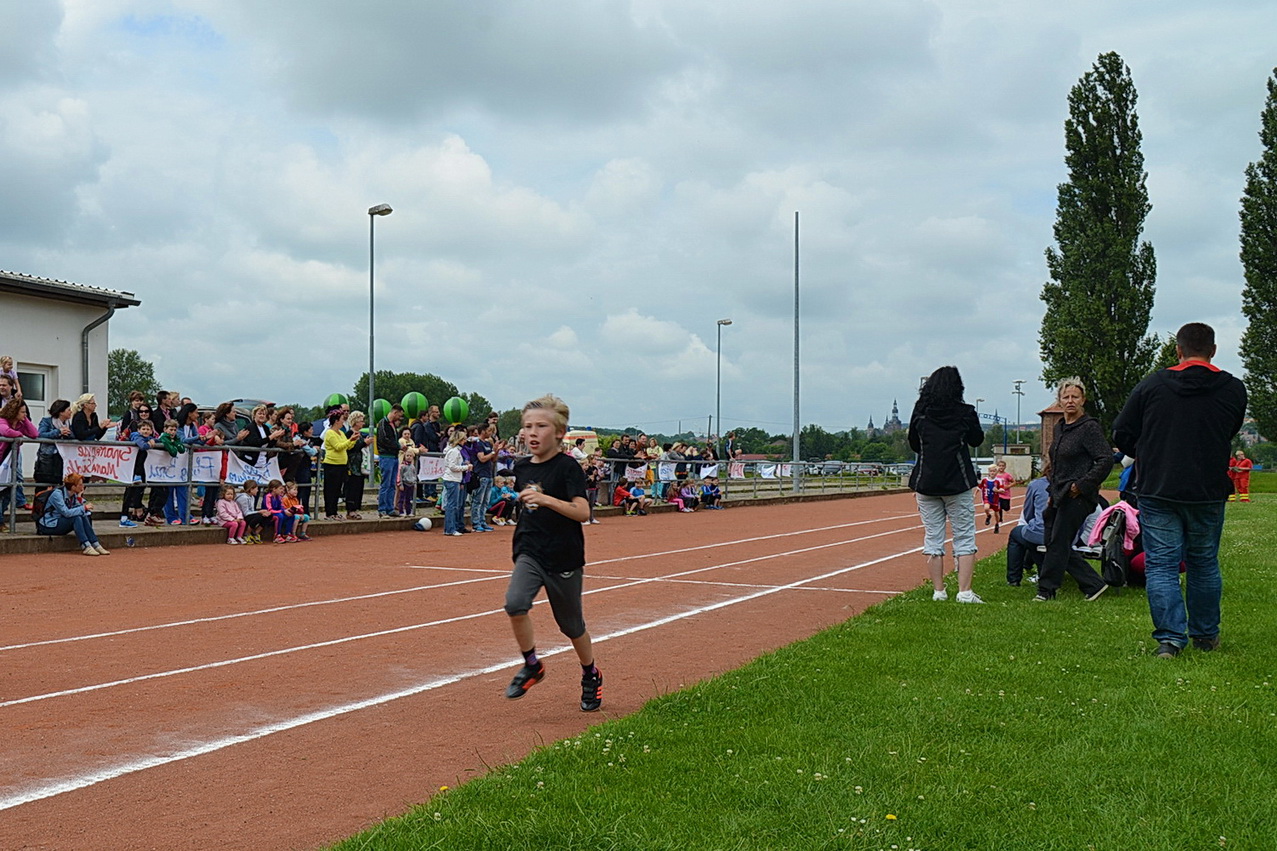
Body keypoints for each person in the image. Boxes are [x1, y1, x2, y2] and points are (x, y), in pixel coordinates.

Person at [1113, 322, 1247, 658]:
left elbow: (1122, 432)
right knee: (1203, 562)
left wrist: (1147, 449)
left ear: (1178, 350)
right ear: (1213, 350)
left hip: (1159, 486)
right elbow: (1229, 429)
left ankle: (1170, 640)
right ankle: (1205, 635)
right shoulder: (1233, 389)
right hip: (1207, 487)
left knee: (1161, 564)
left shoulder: (1152, 386)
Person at [502, 394, 602, 712]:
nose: (532, 433)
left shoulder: (567, 467)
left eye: (541, 426)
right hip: (530, 551)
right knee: (515, 603)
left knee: (571, 626)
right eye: (527, 426)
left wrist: (546, 501)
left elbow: (583, 511)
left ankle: (590, 674)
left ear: (559, 432)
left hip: (564, 557)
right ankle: (532, 665)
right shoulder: (520, 467)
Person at [907, 366, 985, 603]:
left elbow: (914, 444)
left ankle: (938, 591)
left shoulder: (920, 412)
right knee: (964, 536)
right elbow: (977, 439)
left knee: (933, 537)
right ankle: (964, 592)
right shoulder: (965, 412)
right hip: (957, 483)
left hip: (926, 482)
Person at [1033, 377, 1112, 603]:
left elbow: (1105, 459)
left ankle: (1045, 590)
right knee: (1052, 540)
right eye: (1065, 397)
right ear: (1059, 400)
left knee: (1058, 541)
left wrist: (1082, 485)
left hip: (1078, 497)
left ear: (1083, 400)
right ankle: (1094, 584)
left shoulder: (1089, 428)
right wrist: (1051, 493)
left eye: (1074, 397)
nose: (1070, 401)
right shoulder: (1059, 428)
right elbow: (1056, 464)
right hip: (1058, 494)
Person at [36, 472, 109, 556]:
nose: (83, 487)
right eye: (80, 485)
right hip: (49, 525)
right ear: (73, 486)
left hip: (60, 522)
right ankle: (86, 546)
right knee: (76, 518)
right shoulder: (57, 494)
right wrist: (83, 508)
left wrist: (79, 499)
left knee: (83, 515)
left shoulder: (73, 495)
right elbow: (66, 513)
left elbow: (77, 510)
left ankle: (95, 544)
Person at [1007, 460, 1051, 586]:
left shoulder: (1036, 484)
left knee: (1017, 534)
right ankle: (1038, 569)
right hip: (1068, 534)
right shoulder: (1073, 485)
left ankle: (1013, 578)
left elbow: (1028, 514)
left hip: (1043, 533)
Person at [0, 398, 38, 527]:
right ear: (14, 412)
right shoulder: (3, 420)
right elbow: (6, 431)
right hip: (1, 459)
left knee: (8, 491)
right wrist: (19, 435)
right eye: (22, 412)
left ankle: (0, 520)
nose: (25, 414)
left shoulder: (21, 423)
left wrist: (24, 419)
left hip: (10, 462)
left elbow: (34, 434)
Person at [321, 409, 358, 521]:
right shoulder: (330, 433)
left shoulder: (341, 433)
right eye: (342, 419)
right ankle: (329, 512)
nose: (343, 421)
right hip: (332, 465)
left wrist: (354, 440)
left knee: (337, 490)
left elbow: (346, 446)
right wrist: (350, 439)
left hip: (341, 465)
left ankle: (335, 512)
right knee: (330, 490)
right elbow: (338, 446)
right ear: (336, 421)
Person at [35, 399, 74, 488]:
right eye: (68, 410)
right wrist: (58, 432)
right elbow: (40, 434)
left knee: (59, 483)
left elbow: (74, 435)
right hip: (47, 457)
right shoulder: (46, 421)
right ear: (61, 412)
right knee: (44, 484)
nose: (71, 412)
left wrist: (68, 434)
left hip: (62, 457)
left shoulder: (68, 423)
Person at [375, 404, 405, 517]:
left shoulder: (392, 425)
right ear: (395, 413)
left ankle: (389, 508)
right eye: (399, 415)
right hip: (386, 456)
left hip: (393, 456)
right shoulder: (383, 424)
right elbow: (385, 440)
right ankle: (382, 508)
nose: (400, 418)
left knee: (392, 484)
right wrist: (398, 446)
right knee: (386, 483)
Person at [441, 428, 472, 537]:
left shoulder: (454, 450)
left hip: (453, 479)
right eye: (463, 439)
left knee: (452, 505)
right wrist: (466, 467)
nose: (465, 441)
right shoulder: (454, 451)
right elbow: (453, 467)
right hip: (452, 479)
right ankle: (450, 529)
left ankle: (450, 528)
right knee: (452, 505)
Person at [344, 411, 371, 520]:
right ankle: (350, 509)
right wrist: (364, 443)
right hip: (352, 465)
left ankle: (356, 508)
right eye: (361, 421)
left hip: (360, 466)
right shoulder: (349, 434)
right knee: (352, 487)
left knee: (359, 487)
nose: (363, 423)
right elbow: (351, 448)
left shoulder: (360, 434)